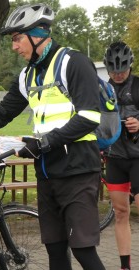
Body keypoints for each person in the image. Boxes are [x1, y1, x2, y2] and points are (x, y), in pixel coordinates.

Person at [0, 3, 106, 270]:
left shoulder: (74, 62)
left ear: (38, 34)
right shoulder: (28, 75)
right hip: (47, 172)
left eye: (17, 38)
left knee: (83, 249)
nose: (14, 46)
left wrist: (45, 142)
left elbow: (89, 117)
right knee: (55, 251)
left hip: (79, 171)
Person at [103, 41, 139, 270]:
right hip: (114, 158)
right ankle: (125, 266)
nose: (118, 75)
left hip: (138, 157)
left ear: (130, 66)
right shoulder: (101, 89)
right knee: (121, 213)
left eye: (122, 70)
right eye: (114, 71)